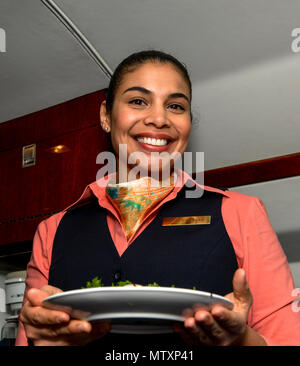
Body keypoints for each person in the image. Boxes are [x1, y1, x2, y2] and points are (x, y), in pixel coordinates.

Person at [16, 50, 300, 347]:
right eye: (138, 101)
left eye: (175, 105)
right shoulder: (53, 231)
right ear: (105, 116)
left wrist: (241, 340)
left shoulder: (240, 213)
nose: (159, 118)